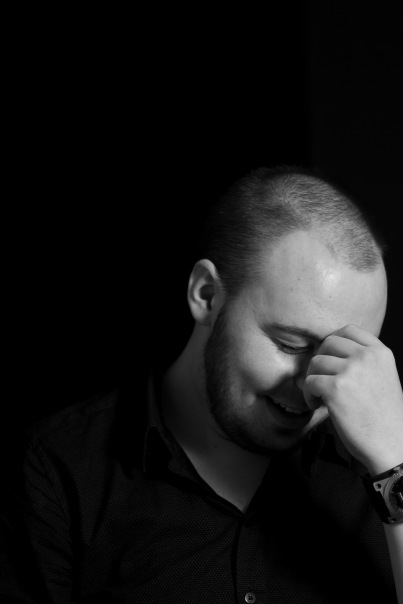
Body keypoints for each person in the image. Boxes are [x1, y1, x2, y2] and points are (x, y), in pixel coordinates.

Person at [1, 166, 402, 603]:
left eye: (345, 357)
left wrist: (393, 467)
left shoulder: (381, 462)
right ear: (206, 295)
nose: (313, 387)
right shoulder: (58, 472)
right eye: (290, 344)